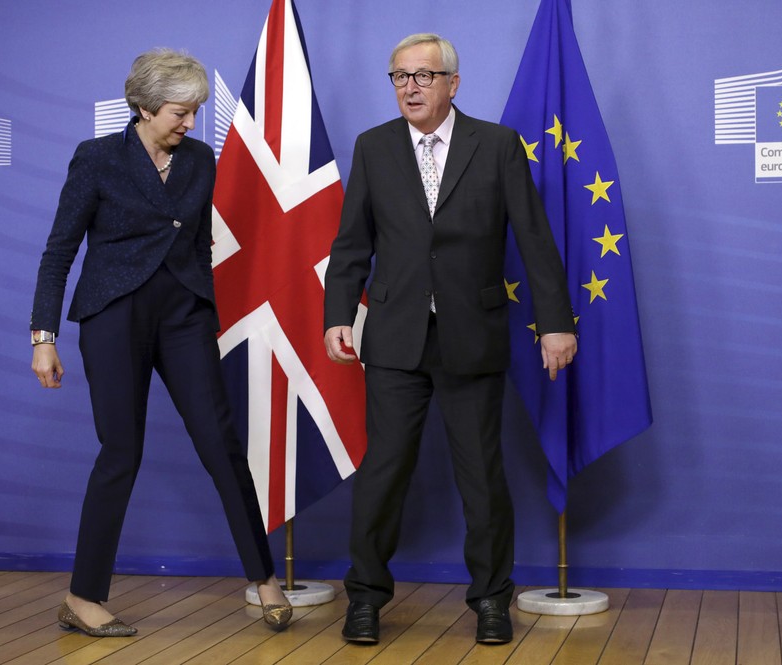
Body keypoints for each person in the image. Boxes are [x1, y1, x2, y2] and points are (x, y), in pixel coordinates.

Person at [323, 33, 578, 645]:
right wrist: (338, 313)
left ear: (452, 84)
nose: (410, 87)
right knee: (383, 473)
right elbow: (352, 243)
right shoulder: (374, 147)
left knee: (483, 477)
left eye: (423, 76)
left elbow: (535, 239)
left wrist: (558, 323)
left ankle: (492, 601)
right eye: (400, 77)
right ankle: (365, 600)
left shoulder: (496, 146)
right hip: (394, 338)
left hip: (472, 335)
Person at [30, 48, 292, 637]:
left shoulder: (200, 160)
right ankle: (82, 598)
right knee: (121, 452)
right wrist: (44, 336)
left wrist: (202, 305)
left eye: (196, 112)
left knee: (222, 444)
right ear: (144, 107)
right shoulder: (96, 158)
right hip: (113, 317)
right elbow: (58, 252)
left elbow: (197, 242)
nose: (191, 125)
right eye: (180, 112)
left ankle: (265, 578)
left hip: (184, 317)